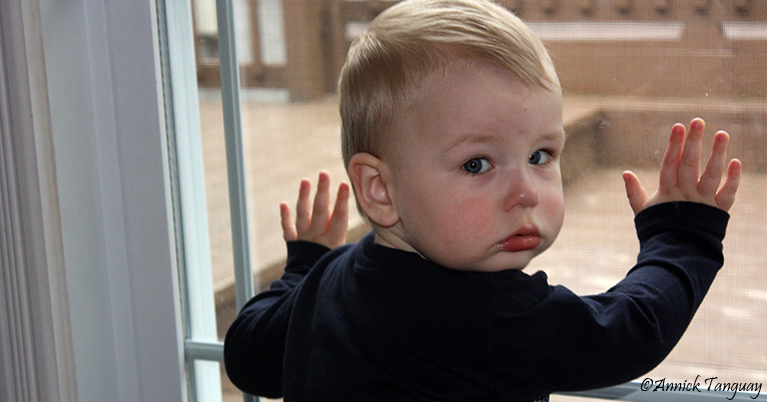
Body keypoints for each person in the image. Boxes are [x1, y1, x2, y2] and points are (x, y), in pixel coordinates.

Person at [224, 0, 742, 400]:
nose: (525, 192)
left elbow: (248, 354)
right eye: (477, 164)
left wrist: (304, 267)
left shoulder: (332, 280)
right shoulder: (483, 316)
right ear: (380, 191)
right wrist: (681, 238)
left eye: (541, 154)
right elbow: (629, 333)